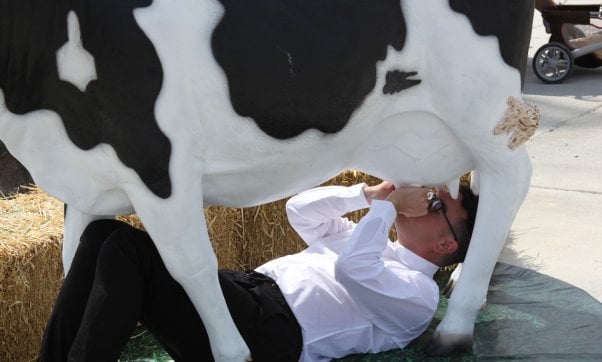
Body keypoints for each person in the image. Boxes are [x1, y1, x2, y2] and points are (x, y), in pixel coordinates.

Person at [39, 180, 478, 362]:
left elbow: (352, 271)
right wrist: (366, 193)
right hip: (242, 294)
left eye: (436, 205)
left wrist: (386, 207)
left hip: (271, 334)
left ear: (445, 244)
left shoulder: (420, 296)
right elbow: (299, 211)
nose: (424, 198)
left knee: (126, 249)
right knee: (100, 234)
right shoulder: (369, 240)